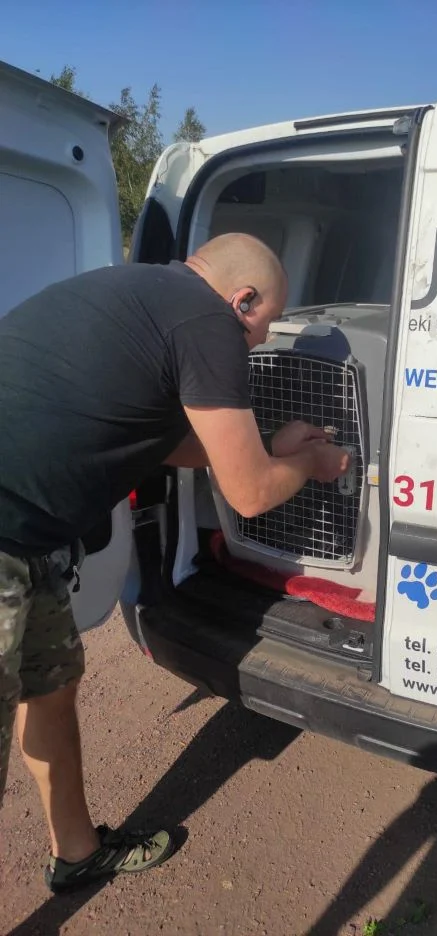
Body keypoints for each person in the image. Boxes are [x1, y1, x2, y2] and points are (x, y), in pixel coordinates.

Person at [0, 233, 350, 892]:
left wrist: (263, 445)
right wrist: (311, 463)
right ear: (242, 301)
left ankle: (77, 852)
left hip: (31, 539)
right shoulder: (208, 323)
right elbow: (250, 495)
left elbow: (158, 438)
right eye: (265, 326)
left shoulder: (141, 292)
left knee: (51, 689)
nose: (257, 344)